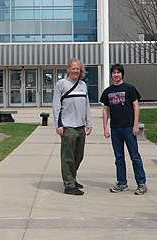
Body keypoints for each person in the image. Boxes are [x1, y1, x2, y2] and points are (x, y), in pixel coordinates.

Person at [100, 64, 147, 195]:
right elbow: (105, 110)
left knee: (135, 156)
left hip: (128, 127)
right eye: (114, 73)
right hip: (115, 128)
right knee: (119, 157)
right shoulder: (107, 92)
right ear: (111, 75)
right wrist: (105, 127)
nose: (116, 75)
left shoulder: (129, 88)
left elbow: (136, 106)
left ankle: (141, 183)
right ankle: (121, 183)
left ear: (122, 74)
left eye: (118, 72)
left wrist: (135, 125)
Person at [52, 58, 92, 196]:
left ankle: (72, 178)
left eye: (78, 69)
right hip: (68, 126)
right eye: (73, 68)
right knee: (67, 157)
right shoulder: (61, 84)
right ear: (69, 69)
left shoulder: (82, 85)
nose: (75, 71)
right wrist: (58, 125)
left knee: (78, 156)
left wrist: (89, 122)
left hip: (81, 126)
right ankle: (69, 185)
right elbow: (56, 105)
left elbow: (86, 104)